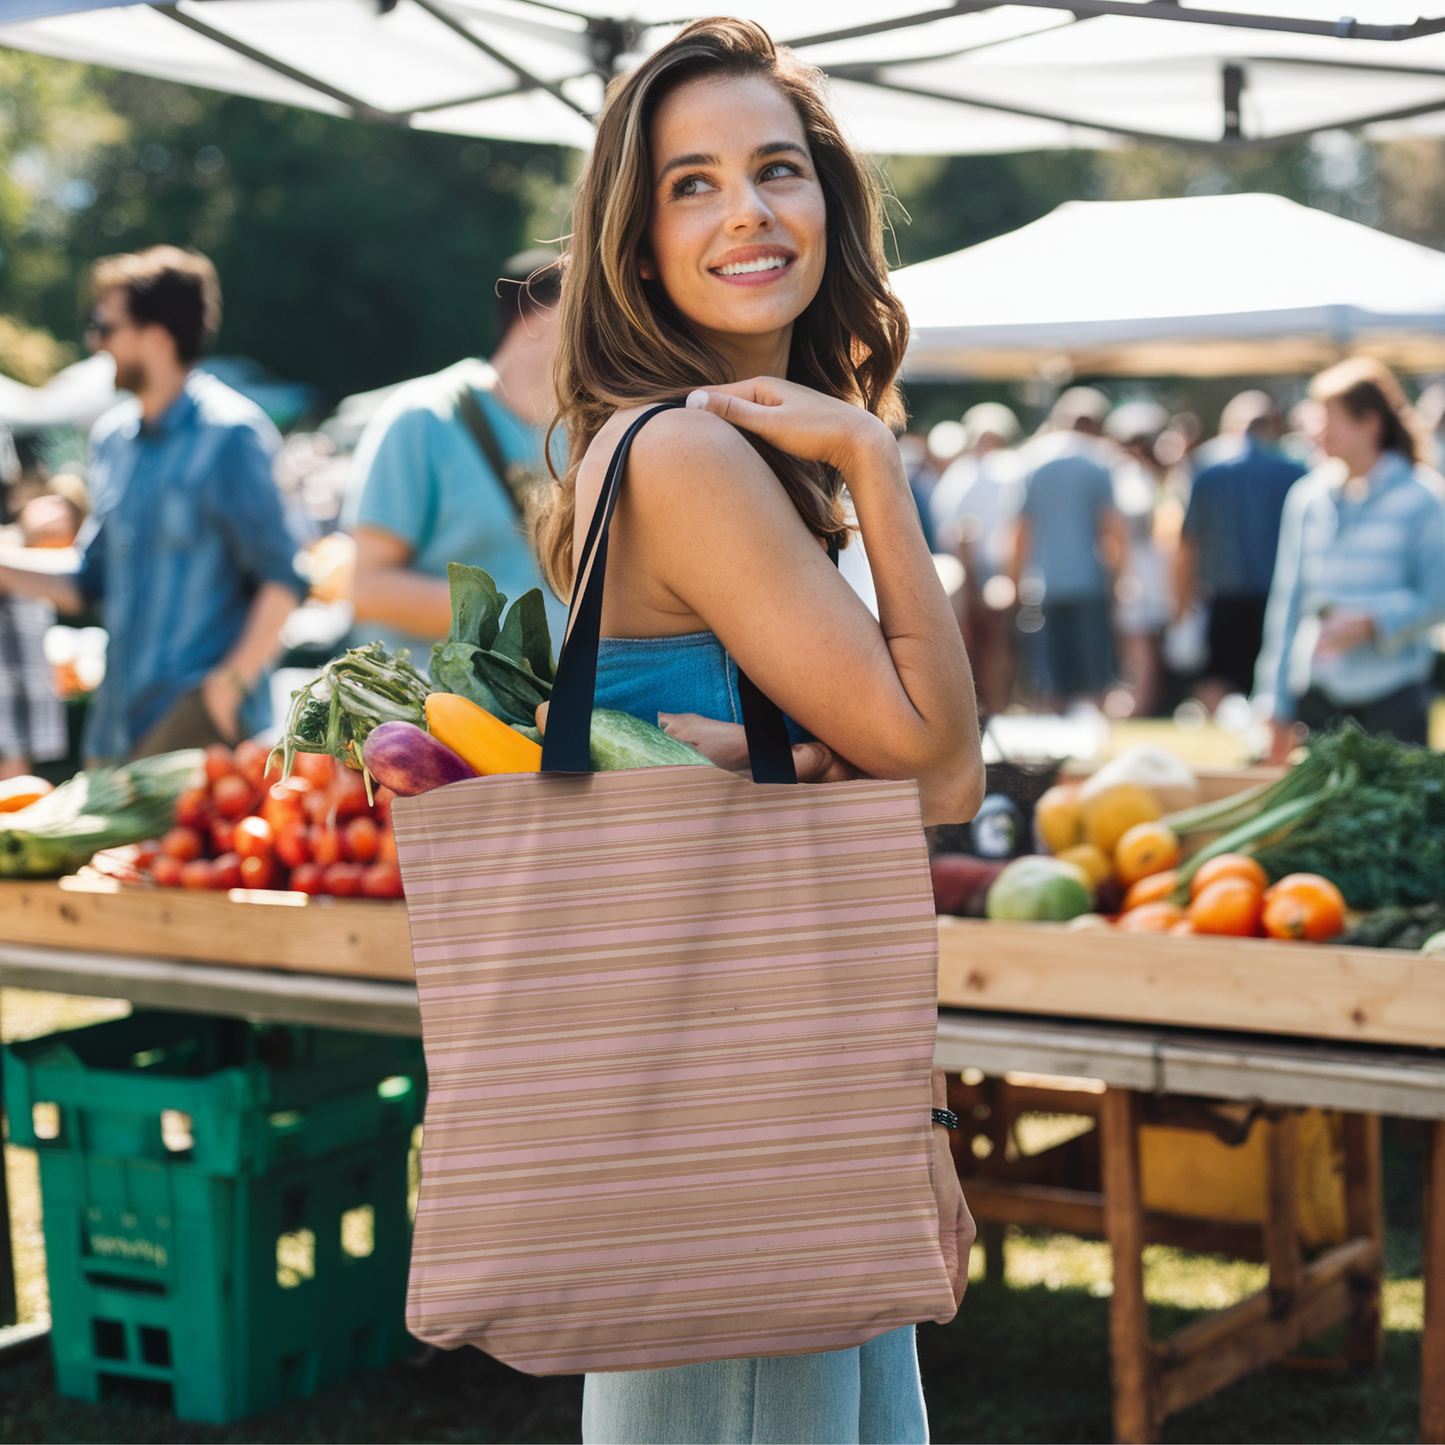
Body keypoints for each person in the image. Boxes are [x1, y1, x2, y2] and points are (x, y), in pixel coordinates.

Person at [531, 18, 982, 1442]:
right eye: (691, 183)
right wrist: (875, 459)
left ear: (829, 200)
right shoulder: (692, 454)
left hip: (765, 1068)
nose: (746, 212)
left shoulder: (705, 441)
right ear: (637, 238)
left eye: (777, 169)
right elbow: (946, 760)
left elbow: (888, 771)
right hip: (732, 1112)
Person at [0, 247, 303, 761]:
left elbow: (283, 580)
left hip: (197, 735)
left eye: (104, 326)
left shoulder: (231, 434)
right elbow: (88, 580)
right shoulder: (112, 438)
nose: (93, 342)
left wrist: (222, 695)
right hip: (115, 731)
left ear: (158, 337)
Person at [345, 250, 570, 664]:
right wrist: (528, 623)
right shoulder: (422, 418)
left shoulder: (580, 432)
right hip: (424, 713)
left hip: (533, 718)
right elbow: (367, 589)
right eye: (589, 310)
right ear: (537, 318)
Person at [1256, 358, 1445, 760]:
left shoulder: (1424, 499)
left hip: (1394, 700)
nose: (1317, 431)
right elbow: (1287, 604)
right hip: (1319, 697)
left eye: (1329, 418)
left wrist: (1371, 623)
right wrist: (1274, 698)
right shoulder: (1307, 499)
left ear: (1369, 422)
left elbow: (1438, 596)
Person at [1176, 392, 1306, 706]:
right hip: (1278, 595)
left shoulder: (1209, 473)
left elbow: (1188, 542)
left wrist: (1180, 599)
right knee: (1272, 681)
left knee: (1219, 685)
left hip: (1225, 596)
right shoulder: (1296, 471)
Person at [1011, 387, 1128, 711]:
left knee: (1048, 678)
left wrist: (1014, 579)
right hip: (1089, 582)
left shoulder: (1031, 460)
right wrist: (1119, 578)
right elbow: (1113, 529)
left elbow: (1020, 530)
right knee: (1092, 675)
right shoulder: (1099, 461)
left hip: (1043, 584)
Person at [929, 402, 1024, 716]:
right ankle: (989, 709)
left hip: (982, 572)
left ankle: (993, 708)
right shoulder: (969, 477)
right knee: (984, 644)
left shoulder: (964, 476)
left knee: (990, 643)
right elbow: (964, 535)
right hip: (973, 573)